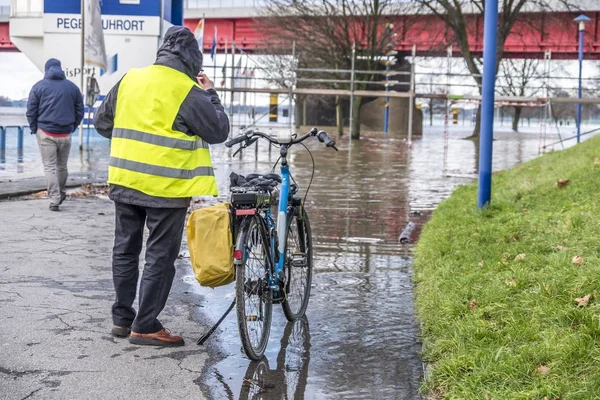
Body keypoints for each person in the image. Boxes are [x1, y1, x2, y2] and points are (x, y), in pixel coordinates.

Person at [94, 26, 230, 347]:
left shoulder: (130, 79)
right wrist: (211, 93)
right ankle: (145, 326)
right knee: (159, 256)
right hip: (167, 190)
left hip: (126, 181)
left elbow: (102, 123)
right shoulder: (187, 89)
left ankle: (122, 318)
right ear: (193, 61)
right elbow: (218, 130)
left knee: (125, 250)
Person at [26, 58, 84, 211]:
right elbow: (80, 110)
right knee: (62, 166)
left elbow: (31, 111)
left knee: (50, 167)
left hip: (45, 132)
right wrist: (73, 126)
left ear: (46, 70)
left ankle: (54, 199)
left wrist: (34, 129)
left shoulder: (38, 87)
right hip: (65, 133)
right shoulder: (72, 88)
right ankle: (62, 192)